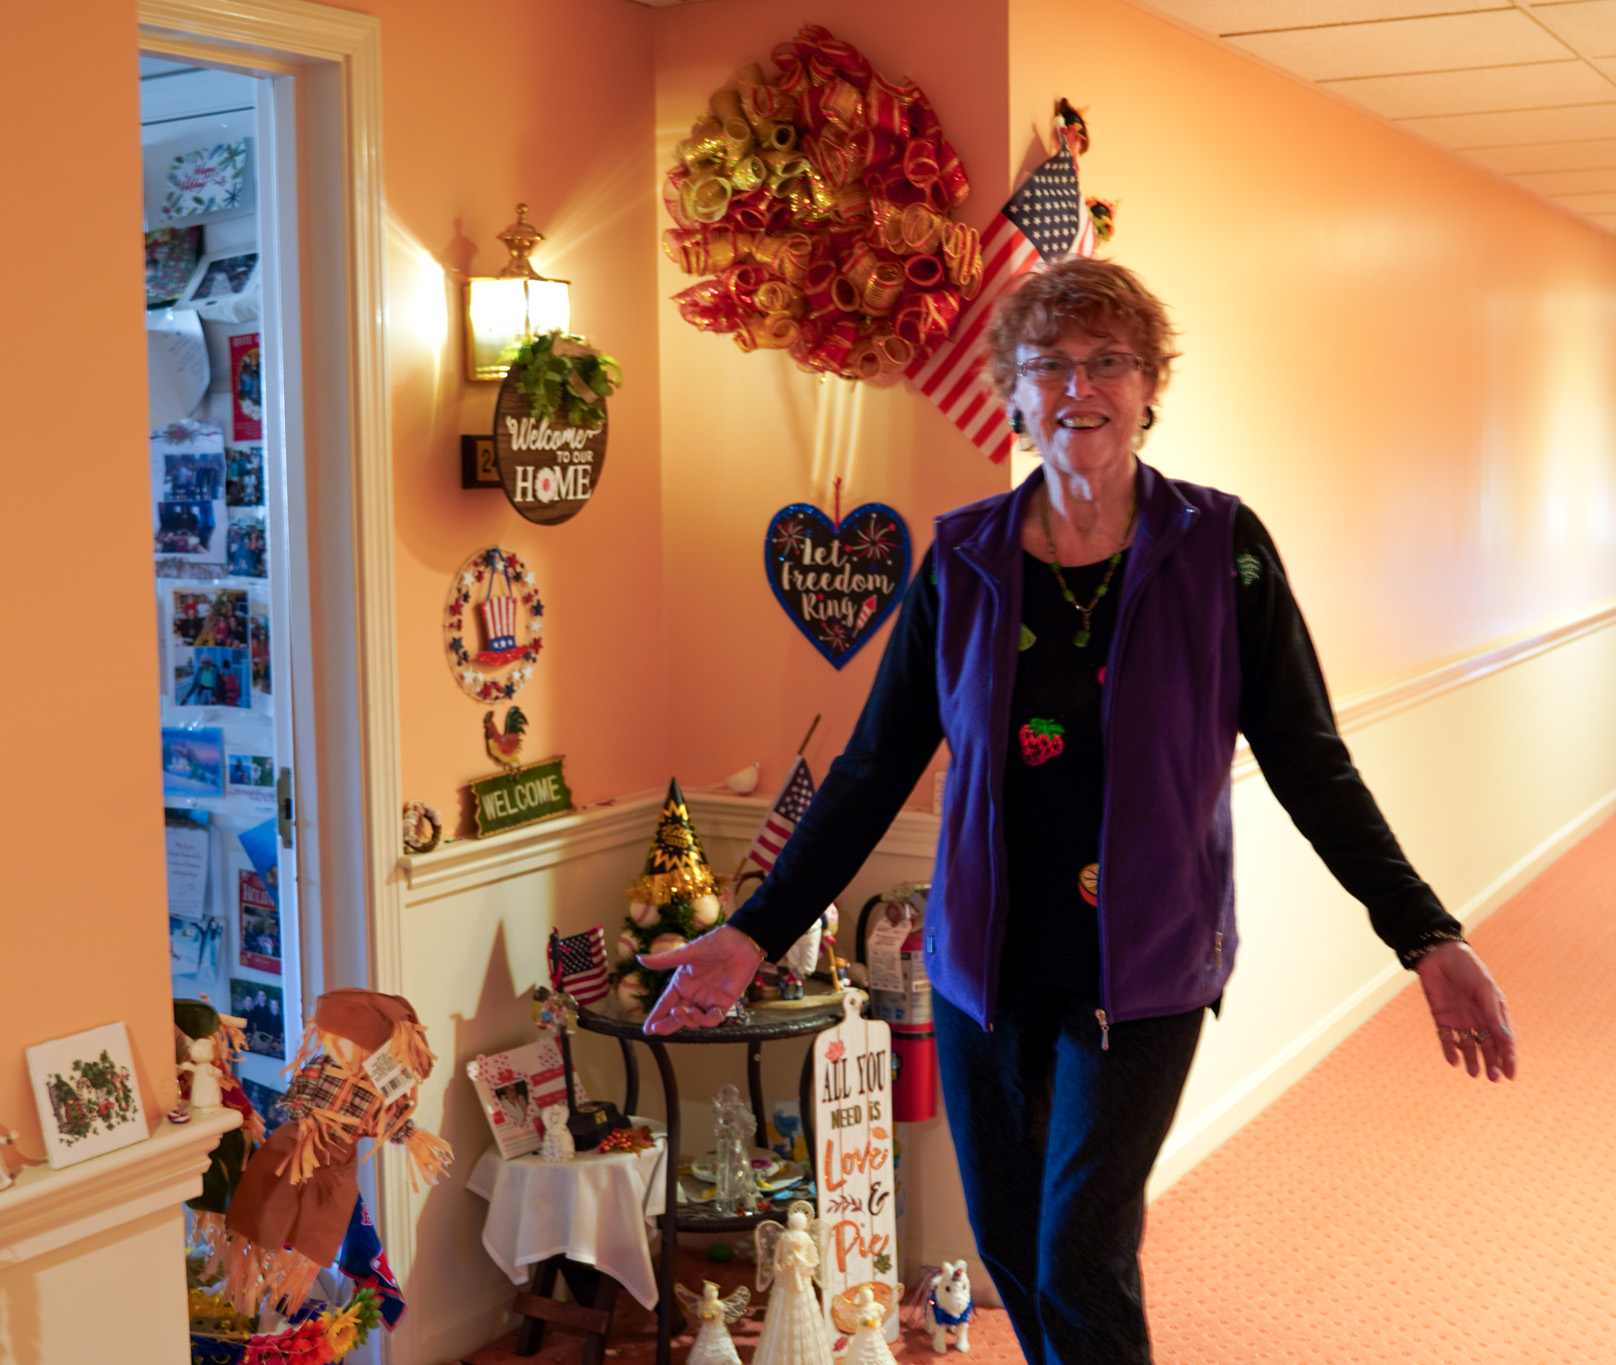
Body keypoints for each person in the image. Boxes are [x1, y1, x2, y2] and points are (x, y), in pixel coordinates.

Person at [639, 258, 1518, 1364]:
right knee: (1013, 1251)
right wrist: (755, 928)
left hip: (1142, 969)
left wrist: (1425, 935)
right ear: (1011, 393)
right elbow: (869, 770)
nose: (1077, 387)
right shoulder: (961, 560)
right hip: (982, 974)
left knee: (1079, 1257)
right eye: (1046, 363)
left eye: (1107, 361)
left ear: (1150, 387)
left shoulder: (1218, 551)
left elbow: (1309, 761)